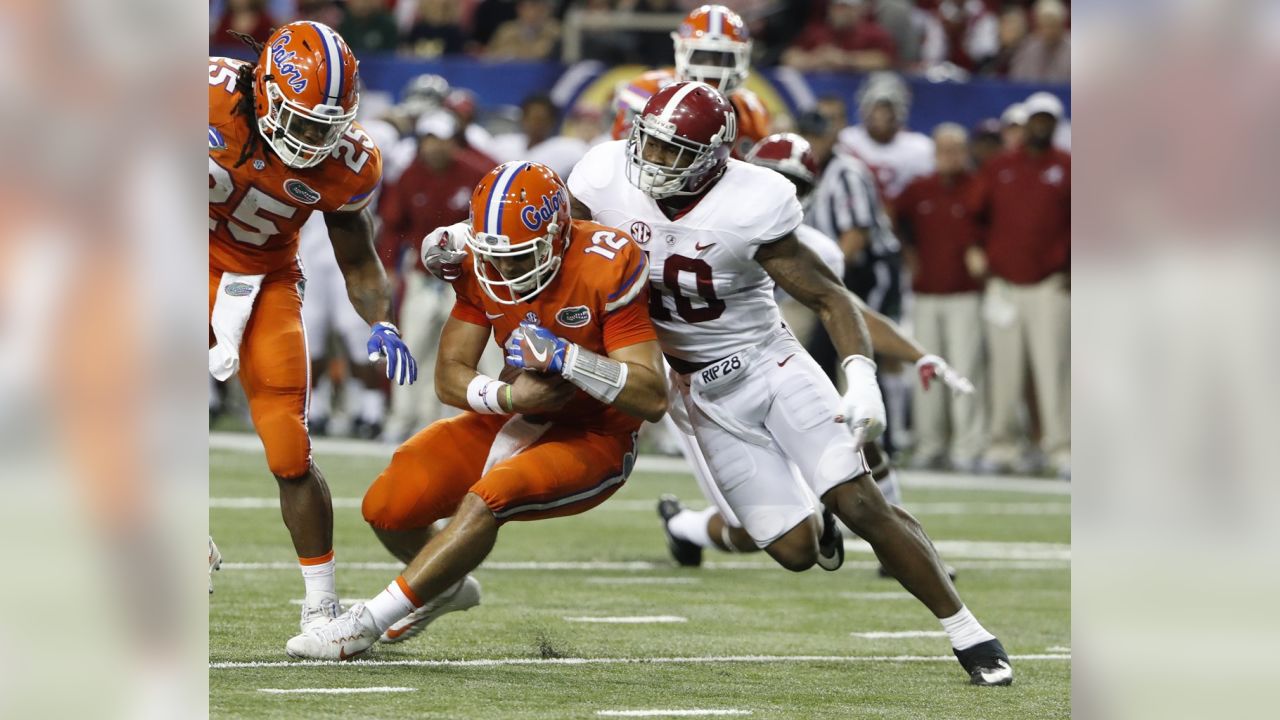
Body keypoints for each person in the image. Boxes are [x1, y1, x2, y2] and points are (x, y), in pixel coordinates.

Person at [566, 81, 1011, 686]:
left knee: (860, 501)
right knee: (796, 552)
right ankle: (810, 517)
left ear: (715, 156)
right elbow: (558, 250)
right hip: (699, 395)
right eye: (650, 142)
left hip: (769, 366)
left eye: (674, 151)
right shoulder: (603, 176)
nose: (653, 160)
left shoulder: (754, 201)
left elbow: (831, 299)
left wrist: (861, 380)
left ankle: (969, 634)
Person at [285, 162, 668, 658]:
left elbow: (653, 396)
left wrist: (569, 358)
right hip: (517, 414)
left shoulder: (607, 263)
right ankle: (443, 587)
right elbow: (450, 375)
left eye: (518, 258)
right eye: (494, 258)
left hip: (598, 434)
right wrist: (509, 397)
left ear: (557, 235)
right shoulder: (481, 262)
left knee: (491, 496)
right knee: (387, 506)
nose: (504, 271)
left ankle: (365, 623)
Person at [657, 132, 973, 567]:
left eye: (795, 184)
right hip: (695, 379)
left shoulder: (810, 246)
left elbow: (846, 309)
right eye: (772, 175)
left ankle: (892, 549)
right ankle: (684, 528)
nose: (781, 189)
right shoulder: (699, 220)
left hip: (767, 370)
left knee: (857, 436)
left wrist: (917, 354)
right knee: (765, 530)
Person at [208, 23, 417, 649]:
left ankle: (322, 607)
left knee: (287, 447)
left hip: (265, 279)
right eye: (300, 120)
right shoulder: (204, 94)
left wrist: (380, 319)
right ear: (265, 92)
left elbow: (359, 263)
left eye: (326, 124)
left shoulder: (347, 161)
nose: (313, 139)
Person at [969, 91, 1071, 478]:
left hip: (1052, 285)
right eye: (1036, 120)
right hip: (1004, 285)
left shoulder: (1069, 166)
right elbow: (975, 214)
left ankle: (1061, 449)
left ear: (1056, 125)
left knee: (1054, 371)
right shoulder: (1000, 168)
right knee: (1004, 373)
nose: (1041, 126)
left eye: (1048, 120)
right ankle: (1002, 447)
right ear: (1026, 124)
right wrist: (976, 251)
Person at [378, 112, 496, 441]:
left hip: (470, 281)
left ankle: (492, 421)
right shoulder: (411, 175)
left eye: (440, 140)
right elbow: (392, 225)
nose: (433, 147)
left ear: (453, 143)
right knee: (413, 348)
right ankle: (403, 419)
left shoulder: (475, 174)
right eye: (428, 139)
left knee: (476, 352)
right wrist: (388, 267)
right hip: (422, 276)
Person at [896, 124, 987, 471]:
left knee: (965, 369)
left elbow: (993, 228)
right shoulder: (919, 190)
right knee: (927, 370)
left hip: (966, 293)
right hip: (926, 292)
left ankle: (968, 446)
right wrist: (908, 254)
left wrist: (983, 255)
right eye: (944, 149)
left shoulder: (979, 187)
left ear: (965, 153)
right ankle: (928, 443)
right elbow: (893, 218)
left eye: (956, 149)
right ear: (934, 153)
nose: (950, 156)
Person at [488, 94, 588, 179]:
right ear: (523, 118)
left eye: (541, 120)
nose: (535, 124)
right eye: (531, 118)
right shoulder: (503, 144)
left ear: (552, 121)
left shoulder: (569, 149)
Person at [781, 0, 897, 73]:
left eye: (844, 7)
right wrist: (816, 59)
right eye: (835, 6)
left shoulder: (873, 33)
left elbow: (884, 60)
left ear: (857, 9)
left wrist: (845, 60)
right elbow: (789, 57)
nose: (839, 12)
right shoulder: (816, 31)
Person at [1009, 0, 1071, 83]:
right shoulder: (1028, 48)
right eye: (1044, 24)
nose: (1049, 30)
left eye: (1052, 24)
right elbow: (1016, 82)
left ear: (1062, 24)